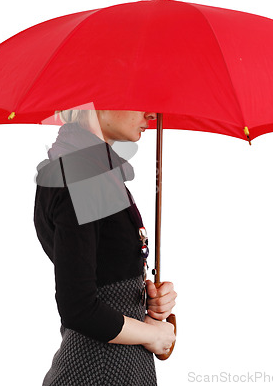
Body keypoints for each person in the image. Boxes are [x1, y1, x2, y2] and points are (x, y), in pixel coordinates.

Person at [34, 109, 177, 386]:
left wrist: (150, 307)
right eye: (136, 98)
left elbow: (106, 275)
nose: (149, 113)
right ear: (96, 101)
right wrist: (154, 334)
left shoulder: (96, 171)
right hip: (99, 371)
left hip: (118, 368)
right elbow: (79, 307)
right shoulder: (80, 175)